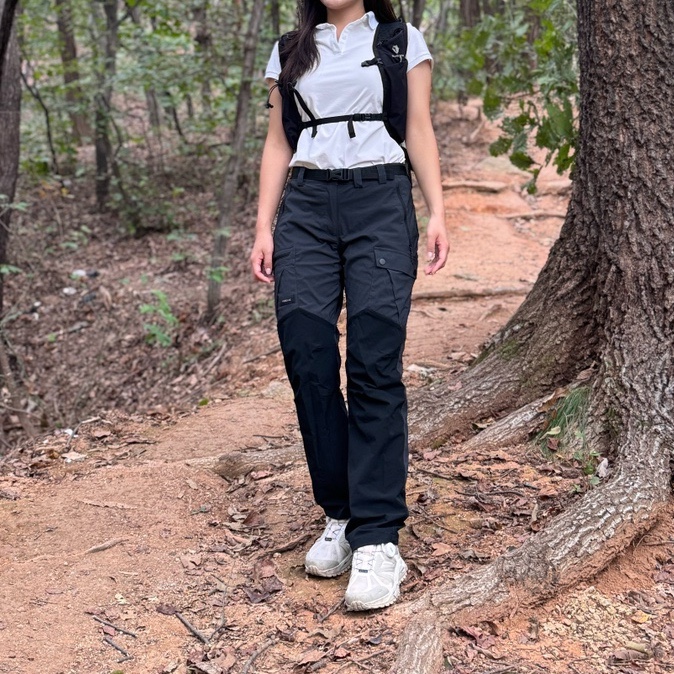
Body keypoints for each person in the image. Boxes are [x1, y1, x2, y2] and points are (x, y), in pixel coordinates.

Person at [250, 0, 448, 611]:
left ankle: (379, 537)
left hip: (380, 204)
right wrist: (263, 227)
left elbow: (418, 128)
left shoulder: (399, 40)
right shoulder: (290, 49)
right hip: (306, 210)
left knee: (373, 362)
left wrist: (438, 213)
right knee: (306, 355)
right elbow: (278, 143)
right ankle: (341, 513)